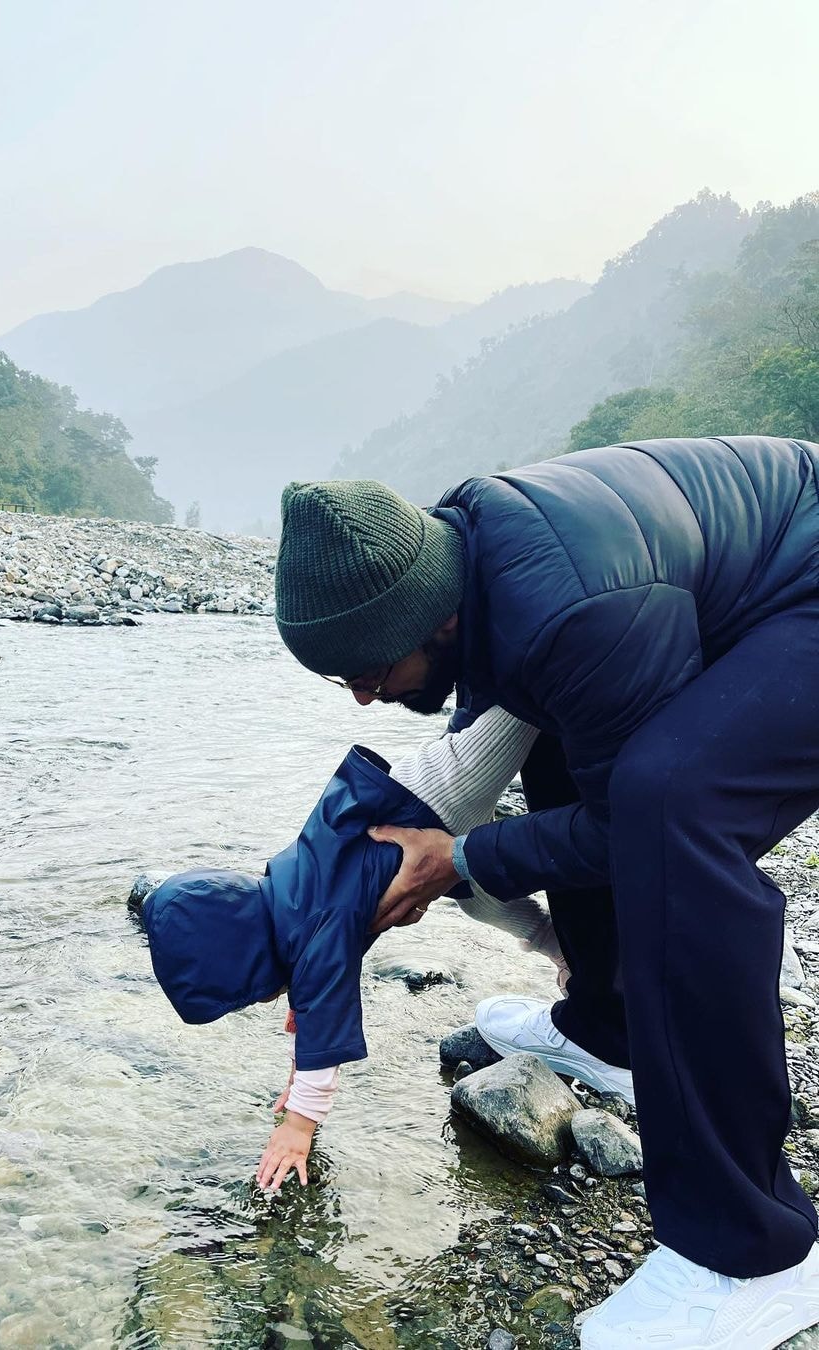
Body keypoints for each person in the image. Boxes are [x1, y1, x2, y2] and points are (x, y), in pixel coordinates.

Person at [272, 437, 819, 1350]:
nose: (363, 699)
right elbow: (499, 738)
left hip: (804, 586)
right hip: (732, 587)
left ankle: (752, 1253)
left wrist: (462, 859)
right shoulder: (462, 563)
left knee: (671, 810)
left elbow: (618, 828)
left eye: (369, 672)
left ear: (432, 620)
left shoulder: (571, 610)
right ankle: (610, 1032)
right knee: (580, 744)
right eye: (342, 680)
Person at [143, 709, 571, 1193]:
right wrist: (298, 1074)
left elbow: (324, 1027)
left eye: (249, 995)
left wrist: (298, 1127)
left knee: (515, 716)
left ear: (246, 961)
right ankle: (565, 951)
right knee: (482, 903)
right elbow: (312, 1016)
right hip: (413, 816)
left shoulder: (312, 930)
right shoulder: (288, 900)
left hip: (427, 801)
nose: (261, 1000)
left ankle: (559, 659)